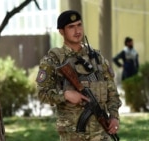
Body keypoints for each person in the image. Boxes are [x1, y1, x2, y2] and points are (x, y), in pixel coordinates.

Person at [36, 10, 122, 141]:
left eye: (79, 25)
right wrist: (65, 95)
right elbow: (42, 93)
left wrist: (114, 117)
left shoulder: (96, 58)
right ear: (61, 31)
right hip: (73, 134)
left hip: (101, 132)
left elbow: (112, 91)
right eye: (71, 27)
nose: (77, 30)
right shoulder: (54, 60)